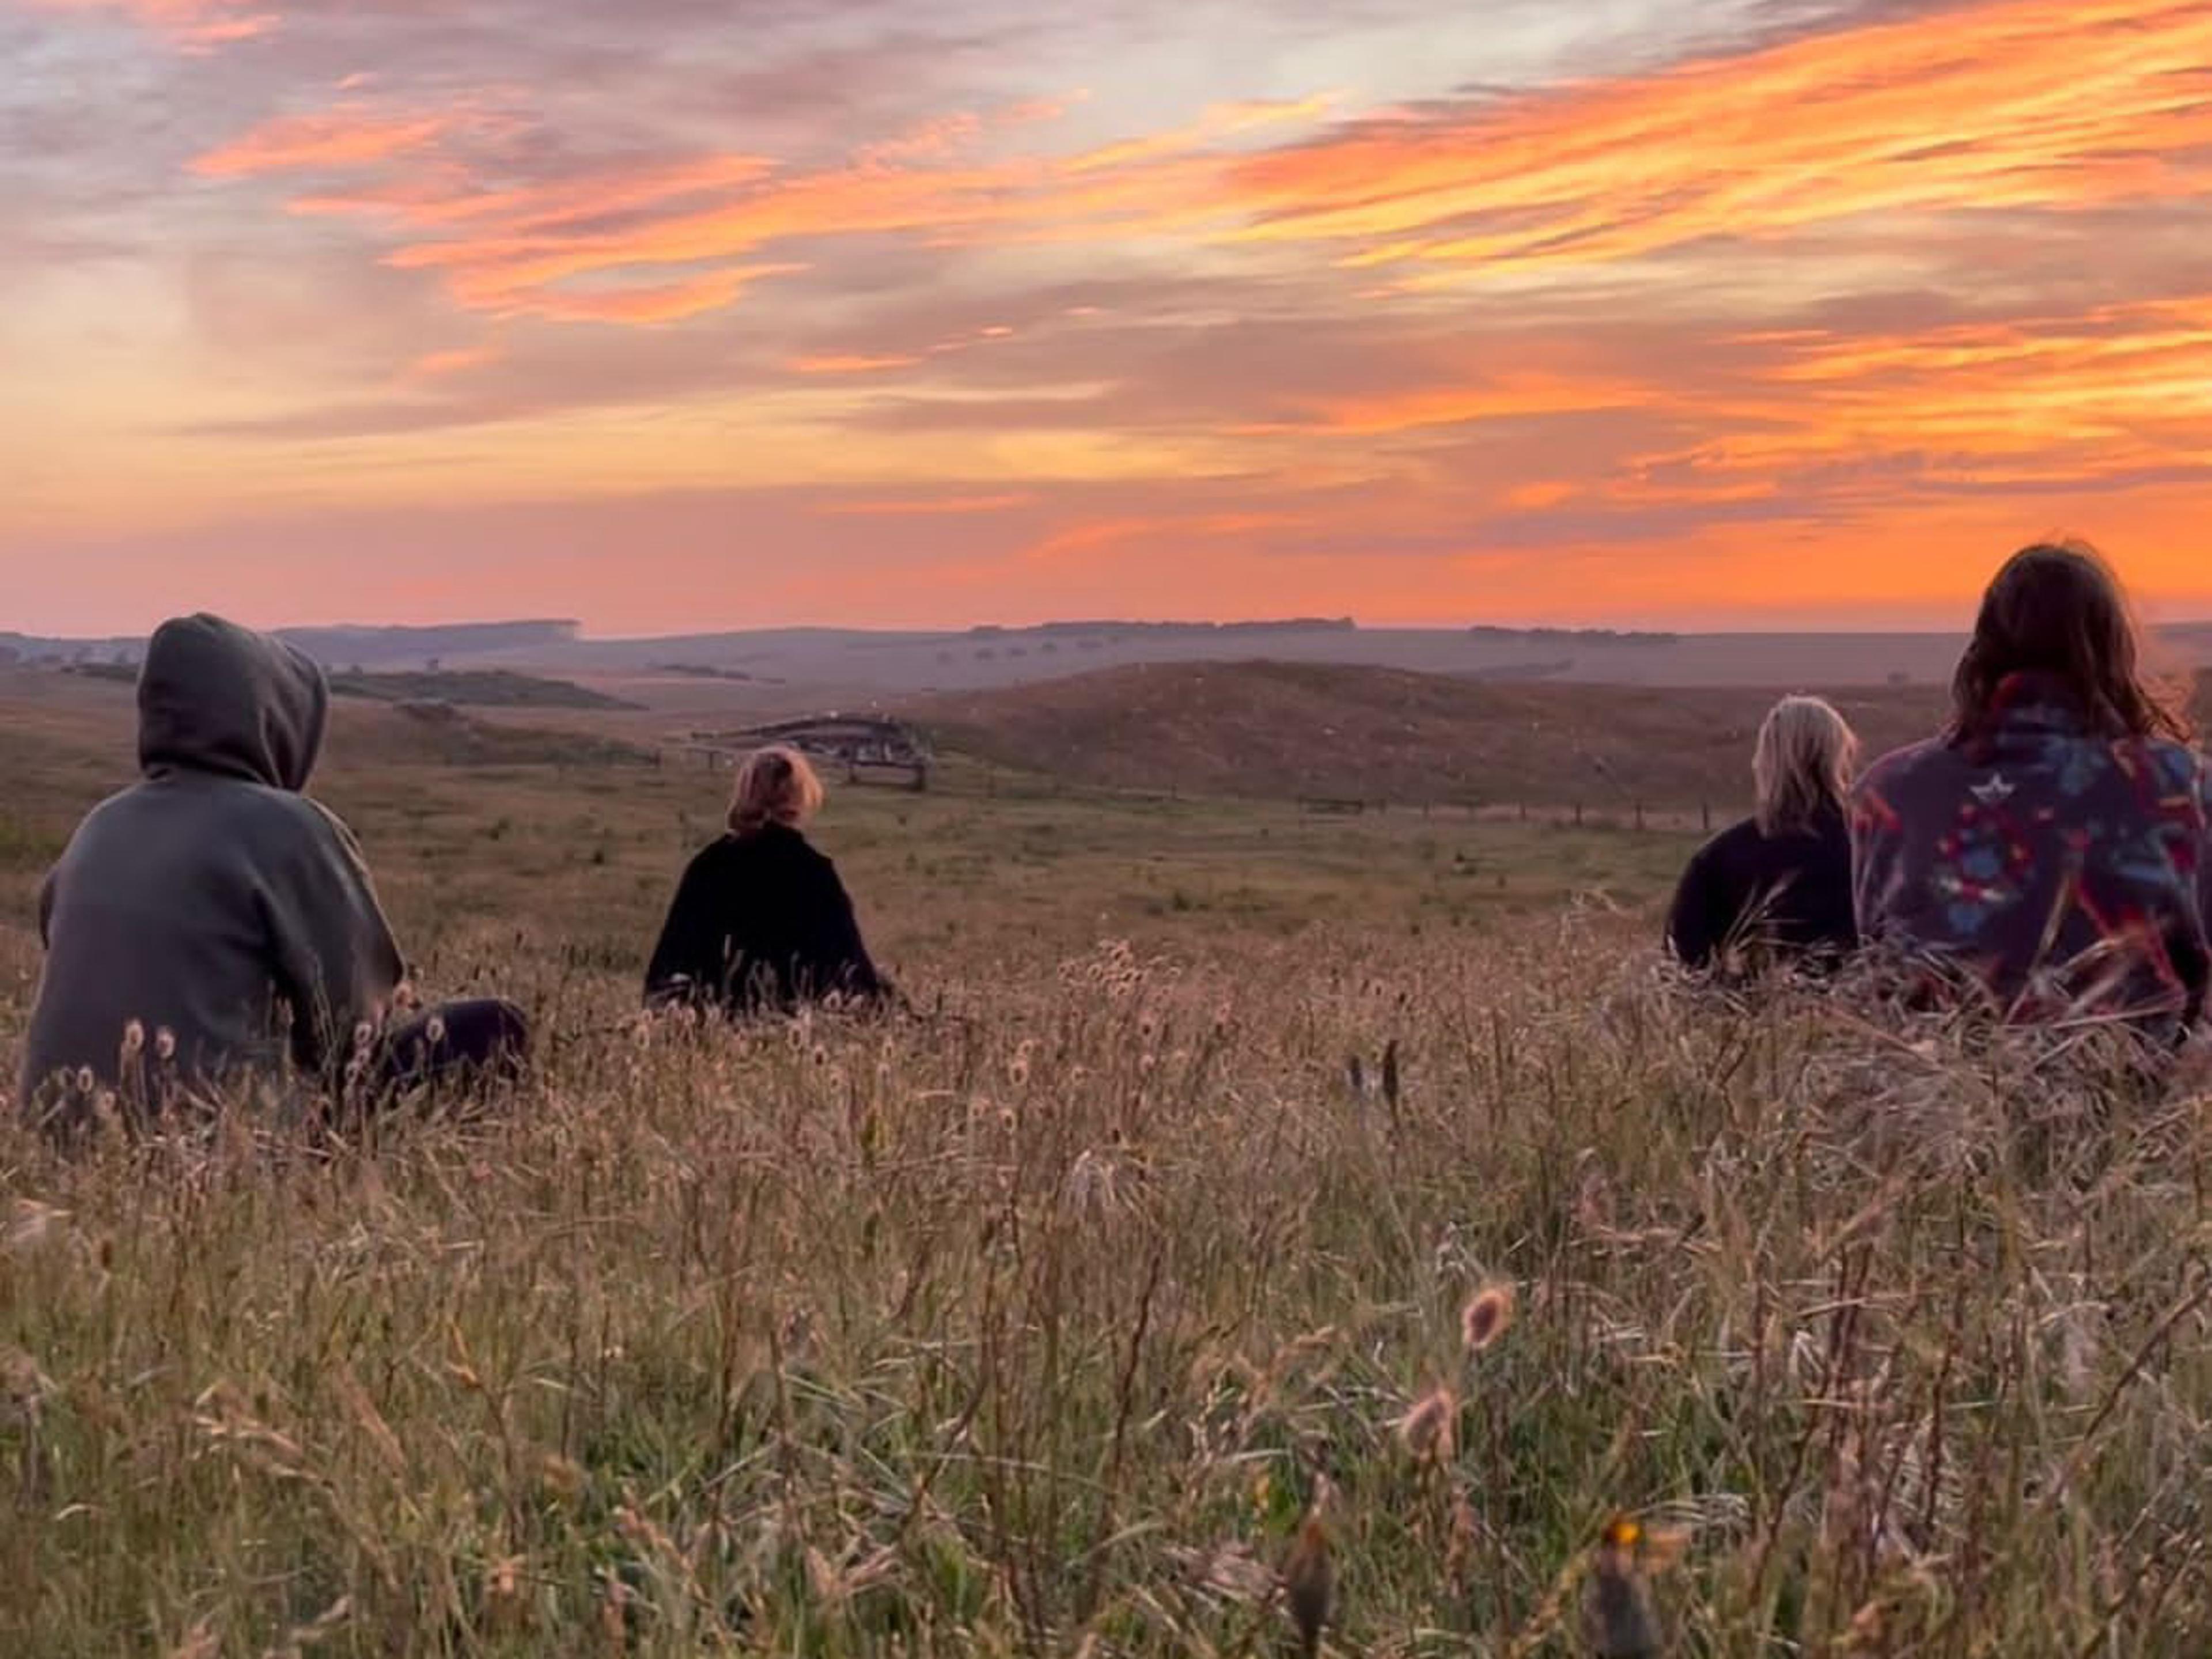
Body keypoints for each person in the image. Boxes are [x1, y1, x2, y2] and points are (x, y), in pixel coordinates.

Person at [17, 613, 528, 1137]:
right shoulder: (289, 828)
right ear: (275, 719)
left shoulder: (100, 824)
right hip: (216, 1151)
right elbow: (350, 1034)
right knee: (493, 1027)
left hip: (56, 1137)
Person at [1853, 541, 2212, 1037]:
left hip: (1934, 1100)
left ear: (1984, 648)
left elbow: (1879, 962)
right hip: (2127, 1101)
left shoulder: (1889, 790)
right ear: (2111, 648)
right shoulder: (2179, 784)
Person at [644, 745, 891, 1017]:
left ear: (745, 794)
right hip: (800, 1022)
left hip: (714, 1023)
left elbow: (672, 963)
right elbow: (848, 966)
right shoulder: (813, 871)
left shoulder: (710, 866)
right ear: (799, 798)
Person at [1666, 695, 1861, 976]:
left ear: (1765, 761)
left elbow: (1683, 963)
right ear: (1839, 756)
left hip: (1751, 1014)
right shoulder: (1874, 846)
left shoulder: (1722, 856)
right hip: (1863, 1013)